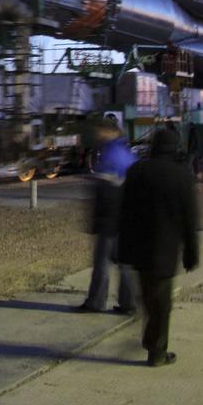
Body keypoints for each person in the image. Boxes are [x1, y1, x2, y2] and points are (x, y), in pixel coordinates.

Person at [117, 129, 199, 366]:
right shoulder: (181, 176)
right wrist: (191, 253)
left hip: (139, 249)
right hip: (165, 250)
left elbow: (125, 213)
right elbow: (189, 220)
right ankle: (157, 352)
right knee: (161, 304)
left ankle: (153, 343)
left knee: (149, 299)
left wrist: (122, 249)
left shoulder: (136, 171)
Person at [73, 121, 138, 315]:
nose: (97, 135)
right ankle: (129, 303)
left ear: (110, 132)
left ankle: (96, 302)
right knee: (124, 263)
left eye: (100, 131)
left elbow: (108, 190)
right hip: (124, 218)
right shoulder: (124, 152)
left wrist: (99, 220)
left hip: (111, 220)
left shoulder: (112, 154)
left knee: (102, 262)